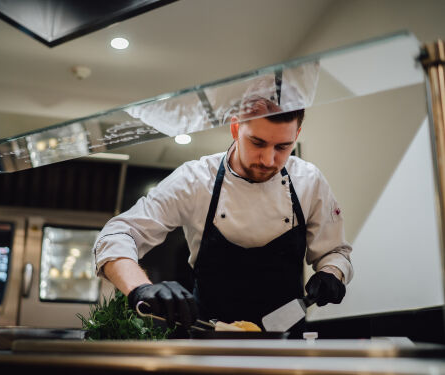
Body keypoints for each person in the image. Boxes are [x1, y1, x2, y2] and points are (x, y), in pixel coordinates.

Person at [93, 94, 353, 335]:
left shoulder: (309, 181)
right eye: (257, 143)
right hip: (207, 334)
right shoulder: (195, 179)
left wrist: (332, 272)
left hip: (285, 338)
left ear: (297, 134)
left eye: (283, 147)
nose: (268, 160)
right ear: (236, 127)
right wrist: (141, 288)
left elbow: (335, 252)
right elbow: (117, 234)